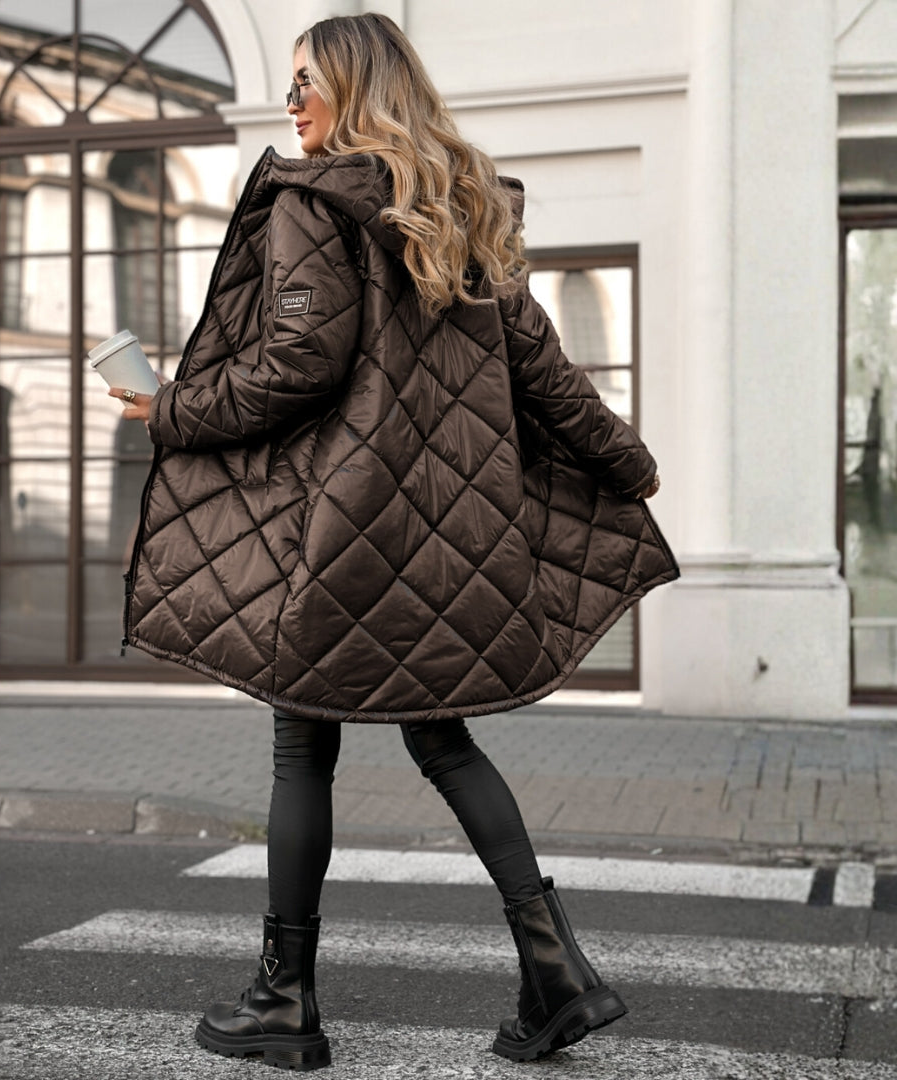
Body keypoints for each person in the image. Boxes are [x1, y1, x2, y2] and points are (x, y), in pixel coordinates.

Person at [110, 12, 677, 1071]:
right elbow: (543, 375)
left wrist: (175, 409)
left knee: (300, 746)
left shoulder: (310, 202)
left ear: (355, 93)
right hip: (452, 539)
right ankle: (557, 974)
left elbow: (295, 366)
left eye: (304, 84)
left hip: (337, 532)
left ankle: (285, 1001)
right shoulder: (464, 209)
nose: (290, 105)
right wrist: (629, 463)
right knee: (444, 740)